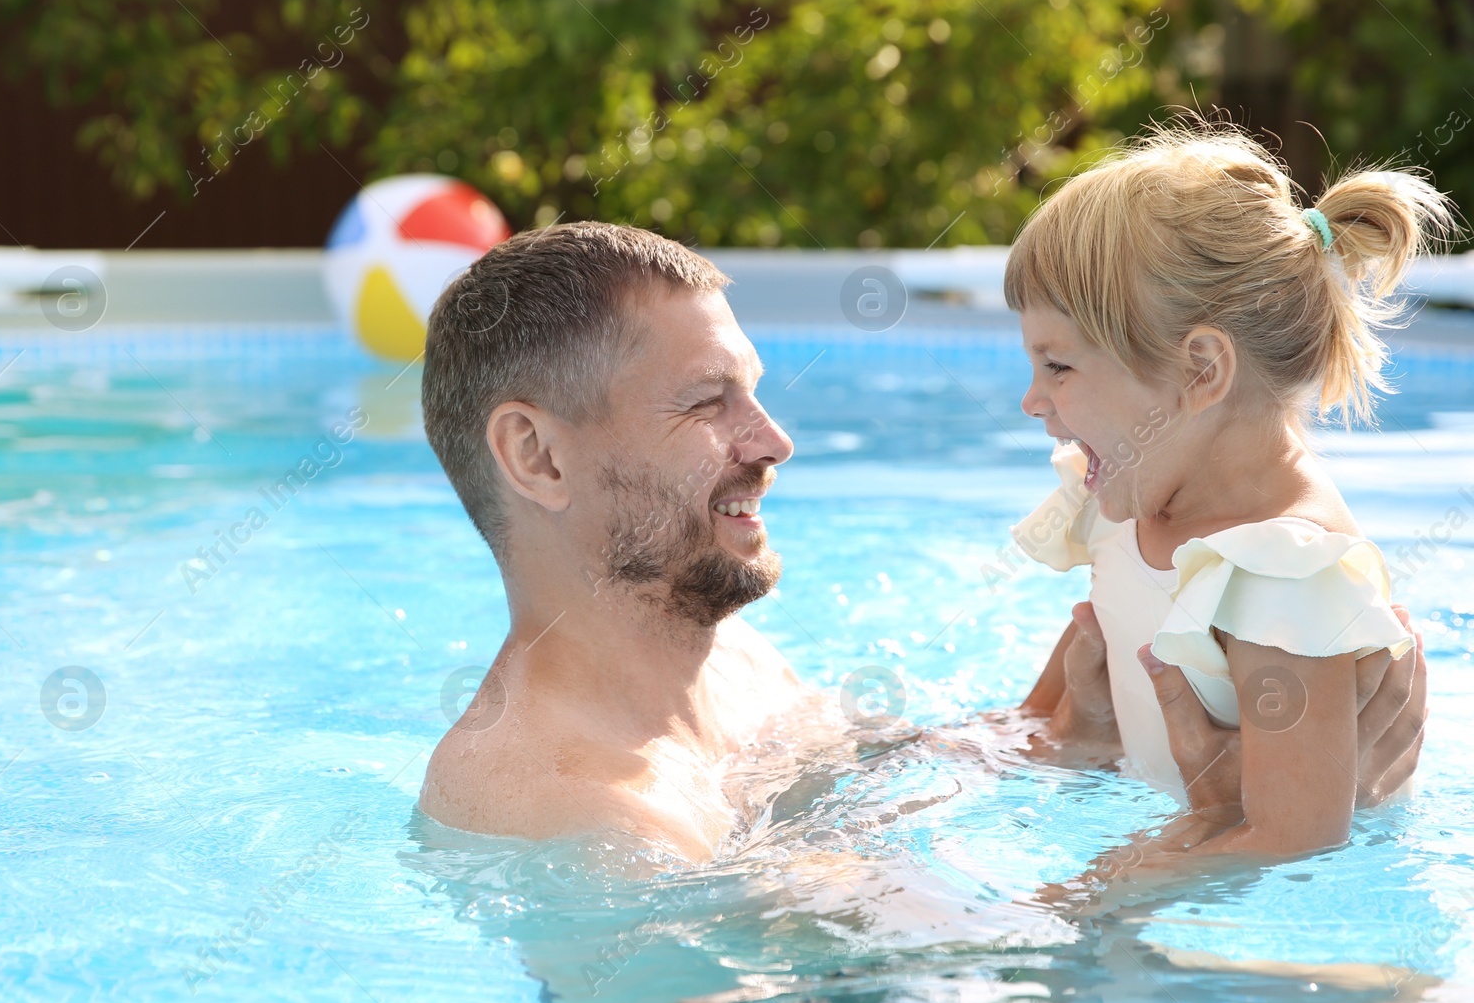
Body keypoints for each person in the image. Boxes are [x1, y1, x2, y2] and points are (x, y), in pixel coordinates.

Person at [416, 220, 1427, 864]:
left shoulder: (731, 668)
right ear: (537, 457)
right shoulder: (570, 815)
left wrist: (1056, 734)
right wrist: (1211, 839)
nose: (773, 441)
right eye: (705, 403)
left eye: (754, 392)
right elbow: (898, 987)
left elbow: (877, 809)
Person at [1008, 122, 1451, 859]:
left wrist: (1092, 898)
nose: (1032, 400)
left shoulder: (1279, 569)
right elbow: (1034, 723)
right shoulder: (1131, 502)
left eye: (1058, 366)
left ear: (1201, 370)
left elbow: (1293, 839)